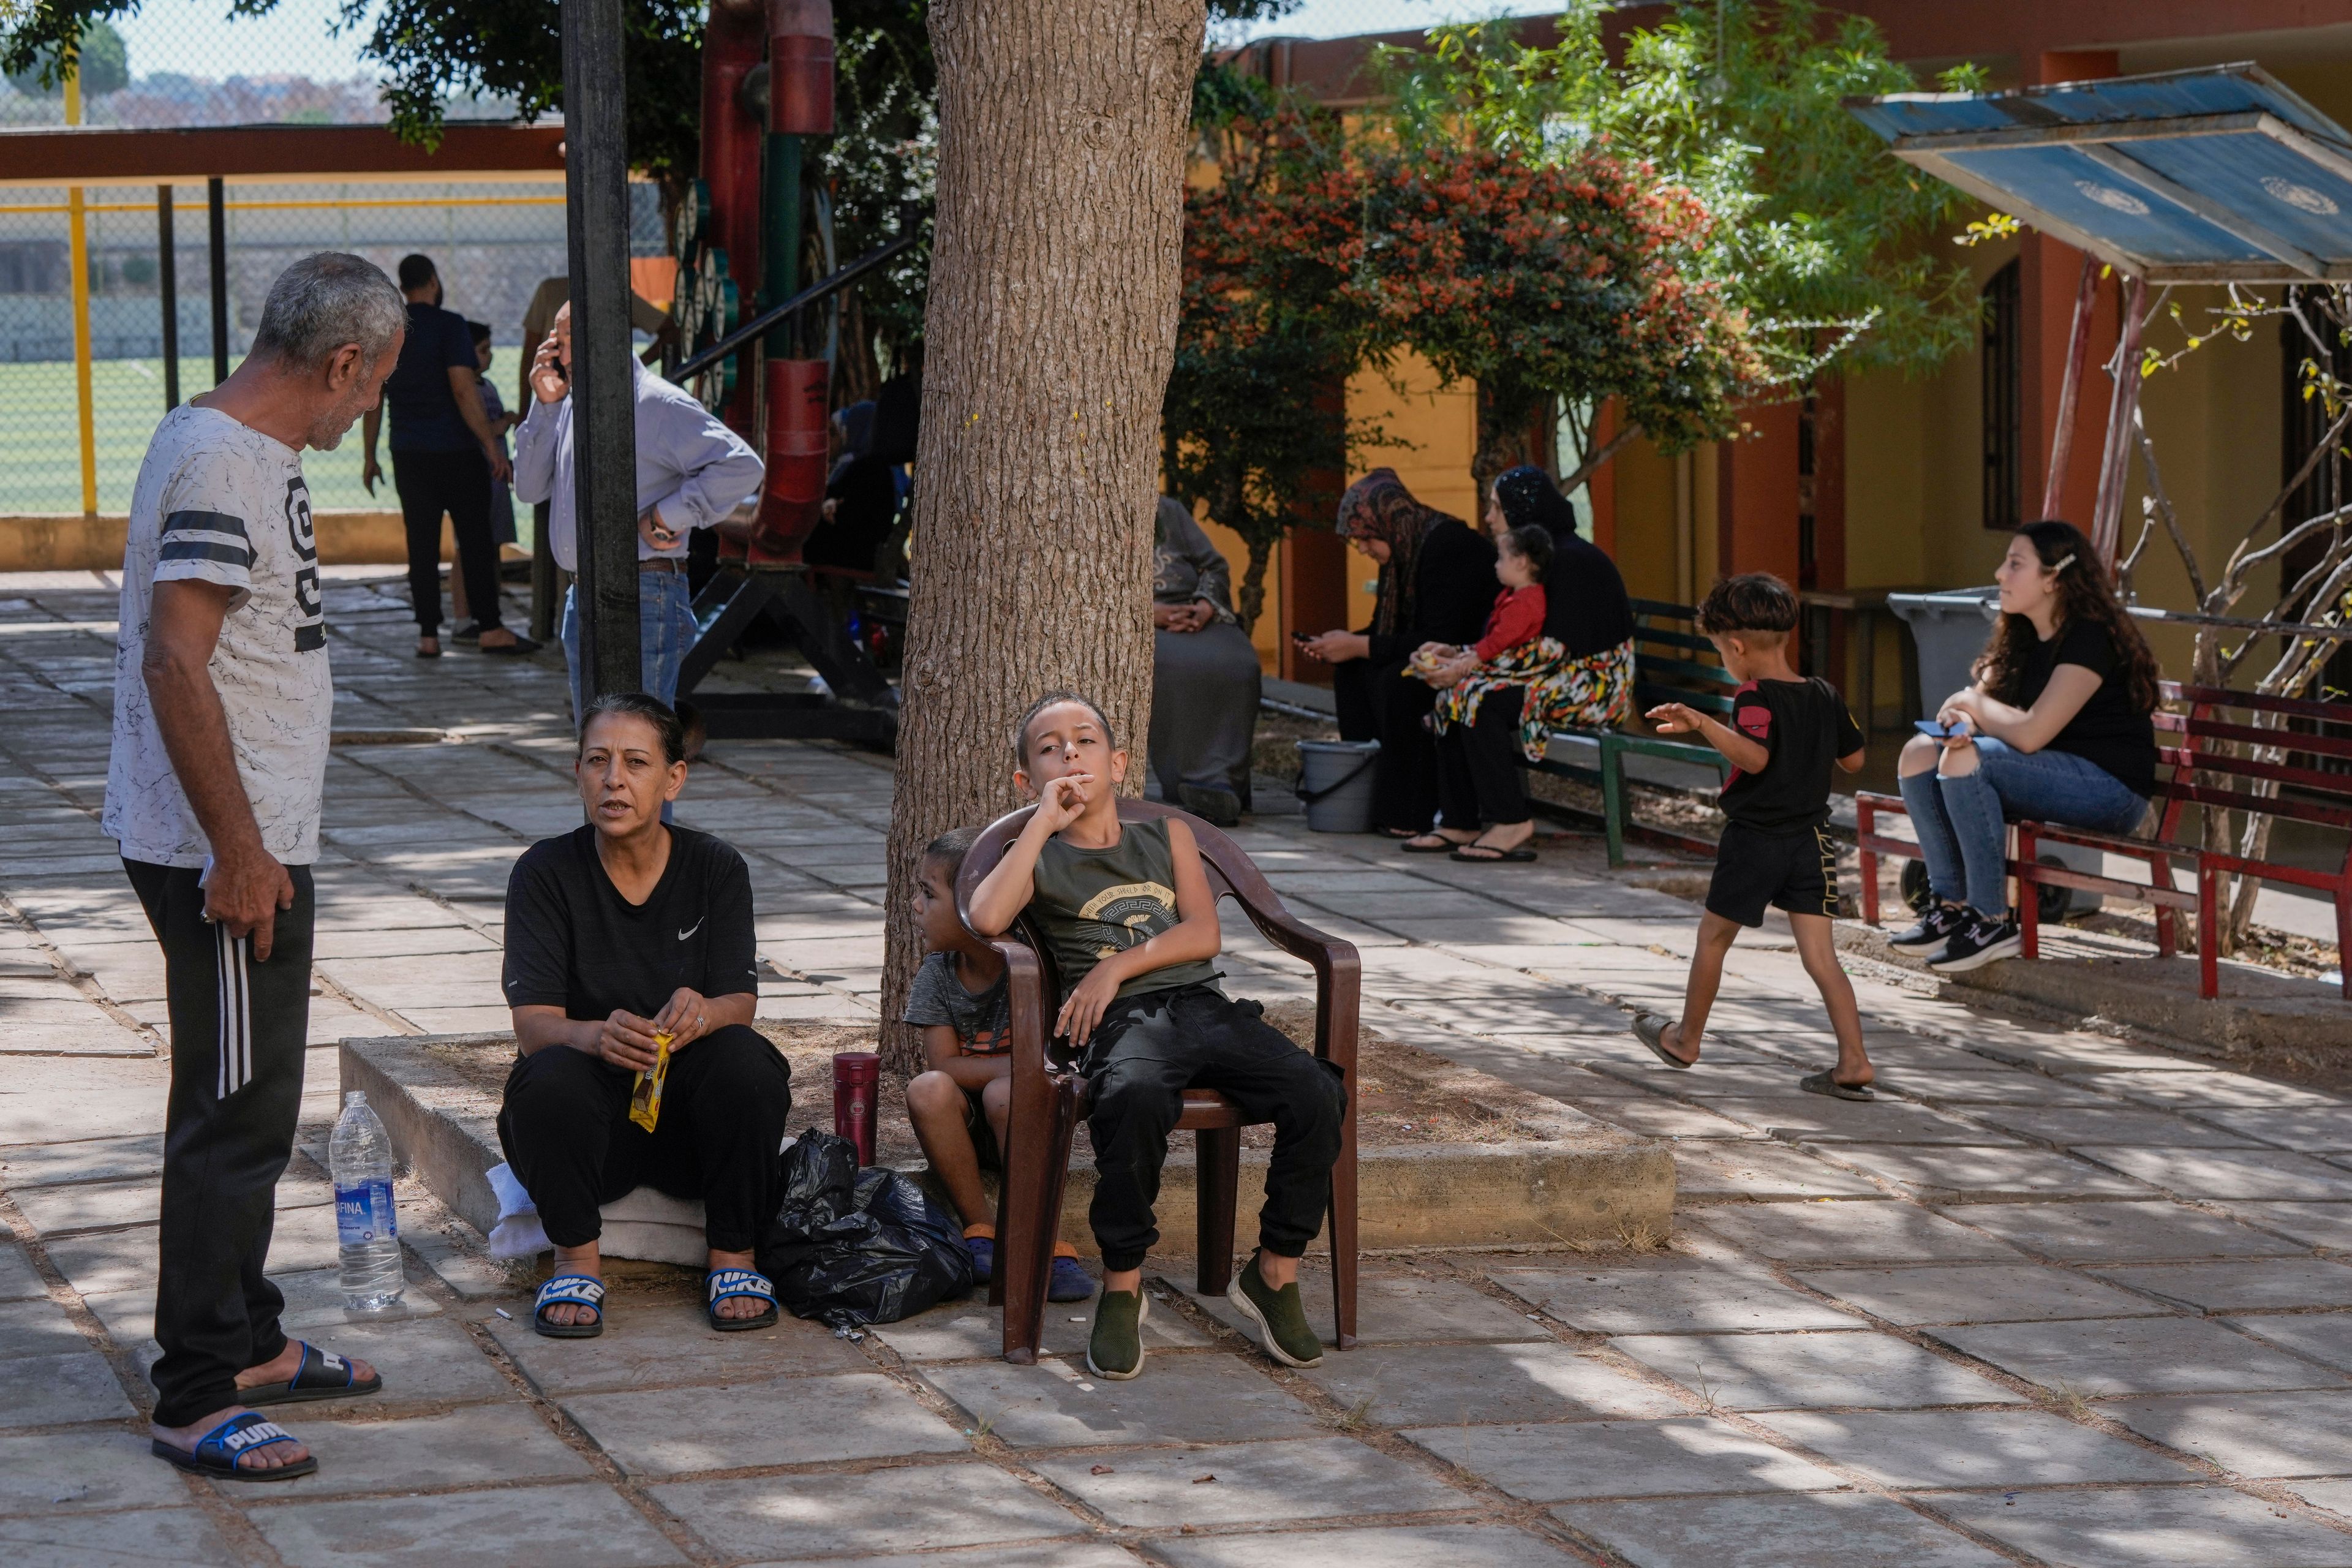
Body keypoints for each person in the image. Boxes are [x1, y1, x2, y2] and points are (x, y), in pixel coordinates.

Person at [105, 252, 407, 1482]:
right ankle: (194, 1391)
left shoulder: (246, 450)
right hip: (225, 854)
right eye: (374, 386)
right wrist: (237, 848)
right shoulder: (228, 458)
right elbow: (176, 662)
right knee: (232, 1119)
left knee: (261, 1104)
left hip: (257, 840)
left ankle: (250, 1340)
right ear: (344, 362)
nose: (366, 410)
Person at [968, 693, 1346, 1381]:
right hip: (1119, 1025)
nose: (1070, 754)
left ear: (1118, 763)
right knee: (1135, 1098)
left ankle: (1275, 1270)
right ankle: (1123, 1284)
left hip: (1202, 1005)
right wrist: (1040, 821)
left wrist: (1116, 964)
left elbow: (1203, 933)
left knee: (1316, 1091)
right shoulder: (1039, 855)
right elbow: (986, 913)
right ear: (1027, 778)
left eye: (1085, 741)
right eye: (1049, 748)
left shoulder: (1167, 833)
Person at [496, 693, 793, 1338]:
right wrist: (594, 1036)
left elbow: (739, 1004)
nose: (614, 780)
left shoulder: (716, 867)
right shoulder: (544, 873)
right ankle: (575, 1258)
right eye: (598, 761)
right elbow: (532, 1023)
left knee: (747, 1060)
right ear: (578, 773)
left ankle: (734, 1254)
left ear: (673, 779)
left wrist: (705, 1013)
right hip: (593, 1135)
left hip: (692, 1129)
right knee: (545, 1078)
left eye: (636, 762)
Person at [1631, 573, 1874, 1098]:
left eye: (1720, 649)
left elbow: (1755, 756)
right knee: (1821, 957)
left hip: (1756, 841)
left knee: (1714, 939)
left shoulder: (1752, 695)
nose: (1724, 658)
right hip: (1813, 841)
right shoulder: (1824, 693)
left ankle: (1686, 1039)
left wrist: (1702, 721)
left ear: (1736, 646)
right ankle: (1853, 1060)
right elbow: (1854, 760)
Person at [1888, 519, 2161, 974]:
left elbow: (2033, 732)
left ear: (2054, 578)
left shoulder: (2092, 638)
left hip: (2110, 790)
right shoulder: (2020, 636)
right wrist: (1963, 717)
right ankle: (1950, 907)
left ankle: (1992, 920)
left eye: (2016, 564)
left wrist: (1969, 703)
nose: (2000, 574)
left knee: (1967, 761)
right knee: (1920, 752)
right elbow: (1981, 705)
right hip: (2048, 772)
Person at [513, 303, 765, 718]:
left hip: (645, 592)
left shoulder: (656, 403)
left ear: (606, 336)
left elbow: (742, 466)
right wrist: (545, 407)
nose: (557, 353)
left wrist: (668, 515)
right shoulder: (573, 403)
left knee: (637, 741)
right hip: (583, 593)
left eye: (566, 340)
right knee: (596, 743)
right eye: (555, 341)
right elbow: (528, 488)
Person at [900, 827, 1093, 1300]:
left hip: (1029, 1122)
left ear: (974, 903)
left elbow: (1063, 1058)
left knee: (1003, 1093)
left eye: (929, 893)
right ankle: (982, 1231)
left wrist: (1017, 1077)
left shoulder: (1039, 964)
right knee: (927, 1088)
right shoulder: (939, 973)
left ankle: (1039, 1238)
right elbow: (943, 1066)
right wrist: (1020, 1067)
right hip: (966, 1130)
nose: (916, 906)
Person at [1414, 465, 1637, 861]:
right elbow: (1510, 642)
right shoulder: (1540, 559)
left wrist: (1467, 667)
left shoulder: (1570, 562)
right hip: (1549, 674)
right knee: (1455, 695)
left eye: (1497, 507)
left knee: (1480, 698)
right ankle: (1460, 819)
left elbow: (1551, 651)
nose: (1489, 517)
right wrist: (1459, 656)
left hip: (1592, 684)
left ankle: (1511, 820)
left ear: (1520, 511)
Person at [1297, 469, 1497, 837]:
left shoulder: (1446, 545)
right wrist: (1338, 645)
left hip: (1467, 657)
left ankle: (1407, 813)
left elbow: (1440, 635)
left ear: (1386, 524)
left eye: (1365, 538)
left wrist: (1358, 645)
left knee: (1399, 685)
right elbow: (1386, 632)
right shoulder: (1402, 553)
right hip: (1432, 653)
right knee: (1353, 671)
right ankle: (1367, 798)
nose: (1362, 549)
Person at [360, 254, 531, 659]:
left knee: (421, 546)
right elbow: (462, 389)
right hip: (457, 452)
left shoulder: (389, 331)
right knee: (475, 541)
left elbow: (374, 399)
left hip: (408, 453)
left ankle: (428, 636)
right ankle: (489, 627)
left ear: (403, 288)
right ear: (434, 282)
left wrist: (369, 456)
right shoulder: (450, 325)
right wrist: (491, 447)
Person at [1148, 496, 1261, 826]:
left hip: (1192, 611)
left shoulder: (1169, 509)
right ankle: (1187, 784)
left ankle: (1225, 784)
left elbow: (1214, 565)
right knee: (1177, 667)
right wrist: (1146, 613)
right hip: (1142, 620)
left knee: (1239, 664)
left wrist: (1205, 606)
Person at [447, 321, 521, 639]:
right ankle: (464, 617)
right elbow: (485, 430)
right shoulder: (467, 392)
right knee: (469, 549)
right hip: (479, 477)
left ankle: (487, 609)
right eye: (482, 350)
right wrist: (506, 422)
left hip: (497, 477)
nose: (488, 357)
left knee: (490, 547)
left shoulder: (486, 386)